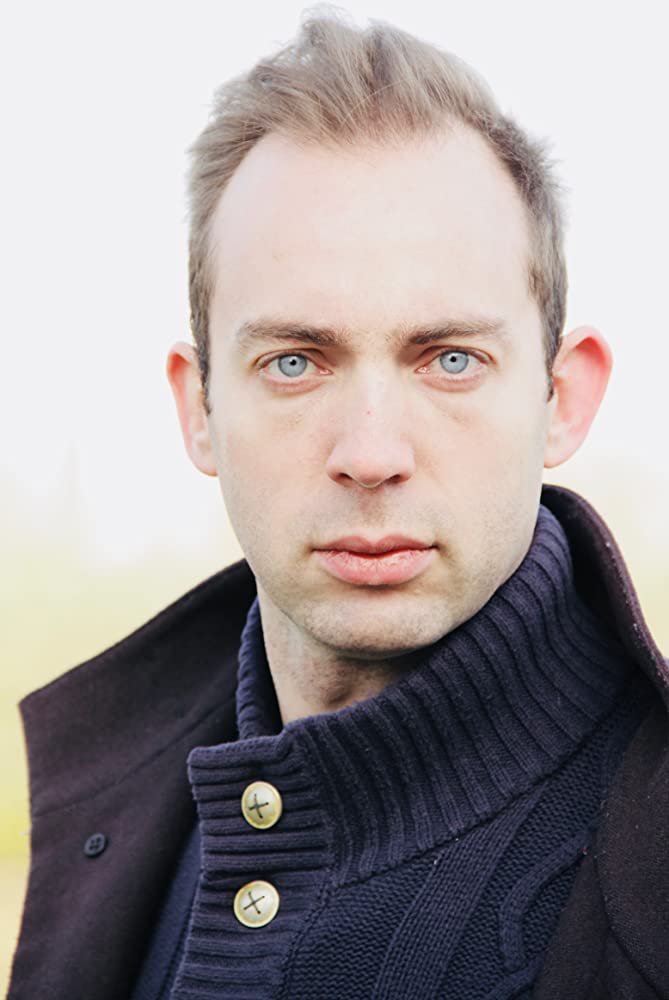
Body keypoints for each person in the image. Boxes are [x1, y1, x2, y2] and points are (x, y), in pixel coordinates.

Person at [9, 12, 668, 1000]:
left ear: (561, 397)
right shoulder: (106, 818)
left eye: (450, 360)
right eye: (294, 362)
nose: (370, 454)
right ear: (198, 408)